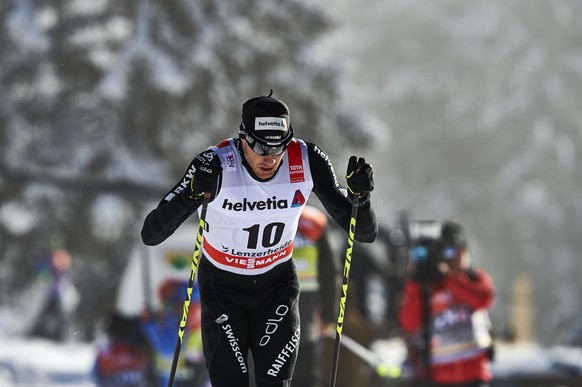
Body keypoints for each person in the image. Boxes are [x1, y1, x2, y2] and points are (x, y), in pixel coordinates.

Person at [141, 90, 377, 387]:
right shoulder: (215, 163)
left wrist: (361, 198)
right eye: (260, 147)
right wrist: (191, 193)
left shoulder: (306, 160)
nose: (270, 158)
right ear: (243, 138)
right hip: (223, 287)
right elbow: (151, 233)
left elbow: (364, 232)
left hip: (276, 286)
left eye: (279, 147)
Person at [398, 221, 495, 387]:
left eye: (451, 251)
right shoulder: (426, 288)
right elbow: (410, 323)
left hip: (475, 375)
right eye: (443, 253)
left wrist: (450, 278)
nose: (448, 258)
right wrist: (416, 280)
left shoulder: (473, 279)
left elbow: (484, 299)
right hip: (436, 377)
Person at [290, 205, 339, 387]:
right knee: (304, 379)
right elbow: (330, 271)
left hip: (264, 320)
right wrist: (328, 316)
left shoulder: (258, 212)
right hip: (304, 322)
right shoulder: (315, 220)